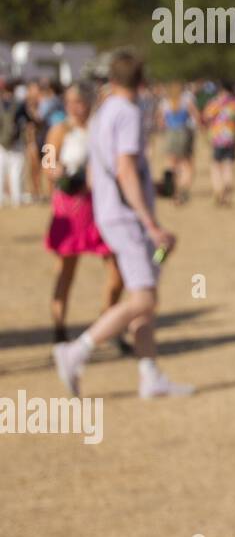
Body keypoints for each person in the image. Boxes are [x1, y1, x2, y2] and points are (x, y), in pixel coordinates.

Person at [52, 50, 192, 398]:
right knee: (143, 298)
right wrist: (149, 222)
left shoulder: (104, 113)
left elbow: (111, 171)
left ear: (111, 80)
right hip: (128, 217)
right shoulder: (128, 112)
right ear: (142, 81)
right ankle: (77, 350)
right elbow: (125, 168)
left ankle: (149, 373)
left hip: (115, 211)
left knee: (147, 289)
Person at [43, 82, 127, 344]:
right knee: (66, 270)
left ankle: (108, 322)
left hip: (100, 205)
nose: (77, 108)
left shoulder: (99, 127)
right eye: (71, 103)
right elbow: (47, 162)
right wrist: (57, 172)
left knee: (116, 270)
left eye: (81, 102)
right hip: (71, 206)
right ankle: (59, 329)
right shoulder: (59, 130)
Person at [201, 80, 235, 206]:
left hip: (217, 138)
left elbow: (205, 117)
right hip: (232, 138)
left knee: (216, 167)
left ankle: (218, 190)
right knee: (229, 166)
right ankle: (228, 192)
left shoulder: (214, 103)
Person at [158, 81, 197, 204]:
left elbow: (160, 120)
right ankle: (182, 190)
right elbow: (195, 115)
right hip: (184, 133)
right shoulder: (186, 99)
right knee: (187, 164)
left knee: (171, 165)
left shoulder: (165, 102)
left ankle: (172, 190)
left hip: (170, 134)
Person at [0, 78, 27, 206]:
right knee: (16, 172)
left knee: (2, 172)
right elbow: (27, 121)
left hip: (3, 143)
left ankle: (3, 199)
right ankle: (17, 199)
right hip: (16, 142)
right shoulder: (20, 104)